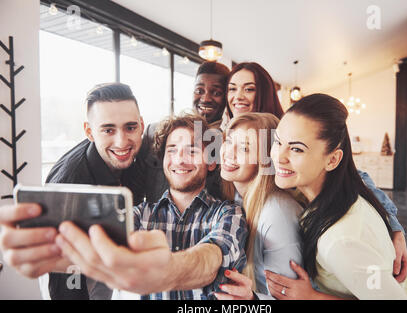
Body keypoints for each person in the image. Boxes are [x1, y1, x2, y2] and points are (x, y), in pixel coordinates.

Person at [0, 113, 248, 300]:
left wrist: (164, 271)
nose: (180, 159)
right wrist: (48, 246)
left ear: (212, 162)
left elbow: (213, 258)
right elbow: (94, 244)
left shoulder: (229, 214)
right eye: (172, 150)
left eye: (192, 150)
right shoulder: (139, 215)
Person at [265, 93, 407, 299]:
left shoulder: (340, 240)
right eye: (278, 142)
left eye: (296, 149)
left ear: (333, 160)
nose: (279, 156)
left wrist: (312, 297)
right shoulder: (339, 192)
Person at [45, 83, 147, 300]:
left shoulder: (136, 156)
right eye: (108, 130)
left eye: (130, 128)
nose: (122, 142)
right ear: (89, 132)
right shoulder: (71, 185)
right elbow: (65, 278)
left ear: (141, 126)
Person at [213, 112, 303, 300]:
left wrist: (252, 300)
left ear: (265, 159)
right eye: (229, 141)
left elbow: (288, 297)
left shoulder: (277, 213)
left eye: (245, 148)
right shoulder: (236, 198)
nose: (229, 152)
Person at [139, 61, 230, 203]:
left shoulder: (227, 145)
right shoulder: (154, 133)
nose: (205, 98)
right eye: (199, 91)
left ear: (227, 98)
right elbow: (133, 189)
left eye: (216, 92)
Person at [221, 62, 284, 130]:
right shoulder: (225, 135)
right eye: (232, 89)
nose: (238, 96)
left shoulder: (281, 136)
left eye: (248, 89)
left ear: (265, 94)